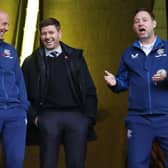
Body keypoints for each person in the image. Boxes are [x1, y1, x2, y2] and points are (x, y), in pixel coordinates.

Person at [22, 17, 97, 168]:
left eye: (51, 32)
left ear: (59, 33)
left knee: (77, 163)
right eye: (44, 34)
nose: (48, 37)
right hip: (47, 117)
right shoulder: (31, 62)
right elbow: (22, 93)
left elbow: (89, 88)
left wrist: (87, 118)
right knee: (48, 164)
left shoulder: (76, 58)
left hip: (76, 116)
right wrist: (35, 118)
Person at [104, 8, 168, 168]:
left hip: (166, 116)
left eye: (144, 20)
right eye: (137, 21)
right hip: (138, 119)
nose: (140, 23)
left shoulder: (167, 48)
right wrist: (115, 83)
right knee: (135, 164)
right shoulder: (128, 53)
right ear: (134, 27)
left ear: (154, 23)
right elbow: (123, 81)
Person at [0, 10, 29, 168]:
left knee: (15, 162)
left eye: (7, 24)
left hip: (15, 113)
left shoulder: (10, 50)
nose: (6, 28)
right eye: (4, 23)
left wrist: (23, 107)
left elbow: (19, 80)